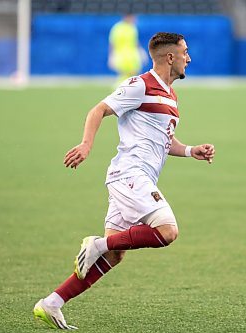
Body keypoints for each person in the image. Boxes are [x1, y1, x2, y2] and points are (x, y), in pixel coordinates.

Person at [33, 32, 215, 329]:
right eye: (185, 52)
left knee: (116, 255)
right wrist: (86, 145)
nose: (189, 58)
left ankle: (52, 302)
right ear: (170, 57)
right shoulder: (140, 85)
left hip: (132, 178)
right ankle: (98, 244)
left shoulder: (171, 94)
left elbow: (164, 141)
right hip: (131, 175)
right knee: (167, 231)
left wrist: (192, 150)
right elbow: (99, 110)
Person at [108, 14, 147, 85]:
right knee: (128, 74)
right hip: (125, 56)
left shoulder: (130, 28)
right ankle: (122, 88)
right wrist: (111, 55)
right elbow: (112, 43)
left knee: (130, 74)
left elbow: (135, 42)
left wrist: (141, 51)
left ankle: (123, 89)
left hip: (128, 56)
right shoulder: (120, 28)